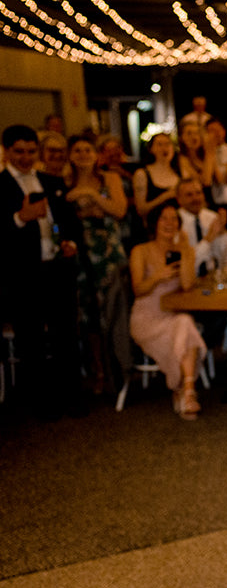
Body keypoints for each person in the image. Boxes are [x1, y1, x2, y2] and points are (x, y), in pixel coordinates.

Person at [1, 124, 85, 420]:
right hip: (24, 276)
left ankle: (71, 398)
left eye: (30, 151)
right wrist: (20, 219)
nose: (25, 158)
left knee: (66, 336)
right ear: (7, 152)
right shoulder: (1, 186)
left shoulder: (51, 182)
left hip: (57, 270)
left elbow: (68, 223)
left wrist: (69, 242)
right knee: (31, 341)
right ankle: (40, 404)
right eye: (18, 152)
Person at [65, 134, 132, 394]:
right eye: (78, 150)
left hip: (109, 251)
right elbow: (66, 216)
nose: (83, 155)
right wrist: (90, 208)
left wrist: (90, 194)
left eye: (88, 150)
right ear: (71, 155)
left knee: (114, 308)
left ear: (96, 155)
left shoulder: (109, 179)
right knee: (88, 313)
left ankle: (119, 366)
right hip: (82, 253)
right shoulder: (65, 182)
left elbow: (119, 210)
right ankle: (98, 370)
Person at [129, 203, 207, 420]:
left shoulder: (185, 250)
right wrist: (157, 276)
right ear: (154, 223)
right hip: (146, 317)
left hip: (173, 315)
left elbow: (188, 285)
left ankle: (185, 392)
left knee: (183, 322)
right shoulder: (141, 250)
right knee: (185, 324)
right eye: (164, 218)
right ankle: (186, 391)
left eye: (174, 219)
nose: (169, 223)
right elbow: (137, 290)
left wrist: (184, 253)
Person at [176, 177, 227, 276]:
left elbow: (225, 255)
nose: (196, 198)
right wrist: (208, 239)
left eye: (198, 193)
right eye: (189, 195)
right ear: (179, 199)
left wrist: (222, 232)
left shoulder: (211, 217)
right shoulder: (174, 223)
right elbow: (187, 263)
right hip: (189, 281)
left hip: (212, 276)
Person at [133, 133, 182, 219]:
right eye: (159, 144)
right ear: (151, 149)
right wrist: (164, 197)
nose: (164, 148)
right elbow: (141, 210)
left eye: (168, 144)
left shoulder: (181, 173)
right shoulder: (142, 174)